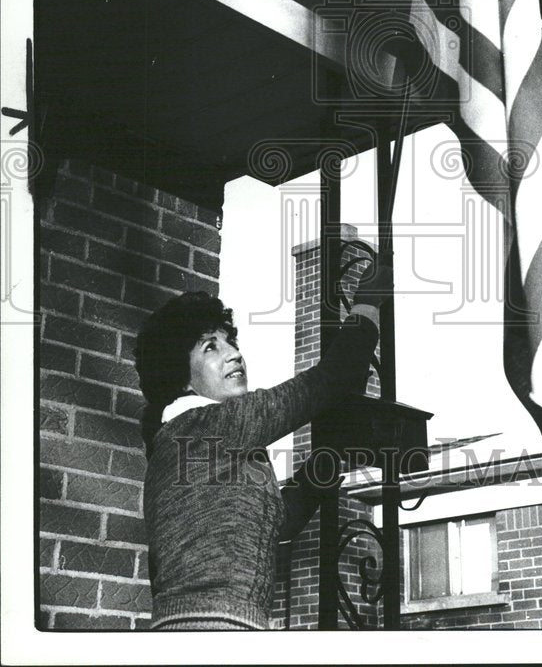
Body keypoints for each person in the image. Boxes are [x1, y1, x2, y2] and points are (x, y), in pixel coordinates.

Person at [134, 263, 387, 631]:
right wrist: (368, 304)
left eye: (230, 342)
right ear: (182, 379)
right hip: (212, 630)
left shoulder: (192, 441)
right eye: (211, 347)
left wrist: (330, 454)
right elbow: (331, 378)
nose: (233, 354)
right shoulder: (203, 425)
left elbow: (277, 523)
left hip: (207, 627)